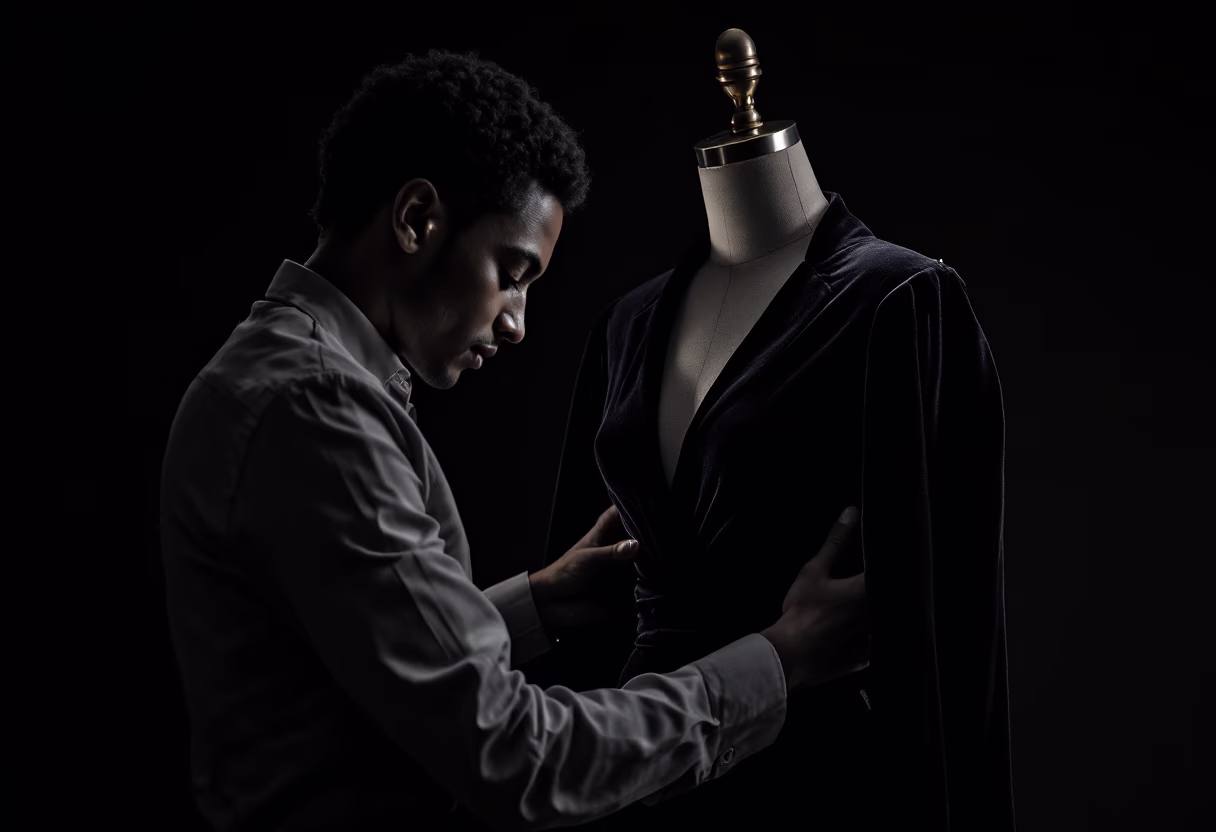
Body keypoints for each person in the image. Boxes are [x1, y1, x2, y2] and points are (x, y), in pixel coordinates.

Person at [159, 50, 870, 831]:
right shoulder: (317, 408)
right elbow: (517, 759)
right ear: (417, 219)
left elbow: (338, 677)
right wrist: (780, 661)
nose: (517, 322)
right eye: (514, 271)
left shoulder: (276, 372)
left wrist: (537, 604)